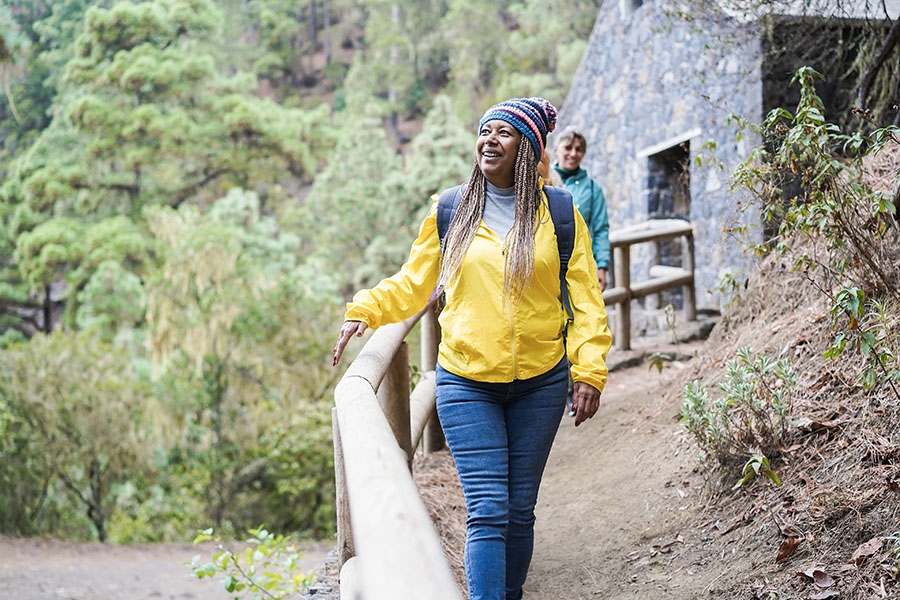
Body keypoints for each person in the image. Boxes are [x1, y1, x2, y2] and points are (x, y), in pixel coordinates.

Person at [332, 97, 612, 600]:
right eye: (485, 131)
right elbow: (414, 283)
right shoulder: (451, 209)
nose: (490, 140)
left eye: (504, 132)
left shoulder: (561, 213)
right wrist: (366, 309)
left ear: (527, 147)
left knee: (520, 510)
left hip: (541, 383)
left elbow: (587, 296)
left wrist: (589, 369)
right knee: (488, 509)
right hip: (466, 382)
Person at [552, 127, 610, 291]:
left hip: (581, 262)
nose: (573, 153)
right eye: (568, 148)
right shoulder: (545, 179)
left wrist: (602, 265)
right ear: (557, 150)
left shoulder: (592, 188)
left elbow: (601, 229)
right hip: (548, 260)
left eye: (579, 149)